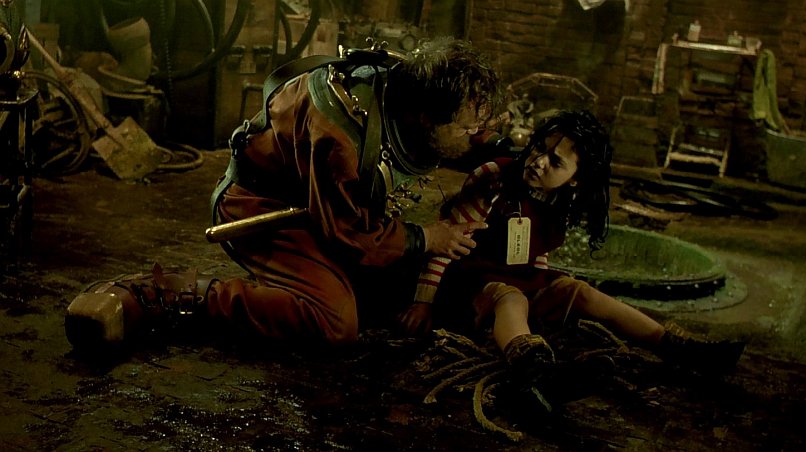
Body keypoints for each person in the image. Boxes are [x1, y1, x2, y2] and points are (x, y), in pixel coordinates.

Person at [64, 37, 503, 351]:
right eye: (468, 129)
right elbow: (350, 233)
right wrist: (427, 237)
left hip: (318, 203)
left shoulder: (408, 85)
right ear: (427, 117)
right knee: (335, 322)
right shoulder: (341, 136)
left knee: (394, 290)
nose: (476, 137)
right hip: (261, 205)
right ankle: (168, 294)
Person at [397, 109, 747, 391]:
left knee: (580, 291)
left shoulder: (560, 200)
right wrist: (423, 301)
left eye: (556, 162)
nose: (538, 162)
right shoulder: (494, 178)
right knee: (511, 298)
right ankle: (532, 366)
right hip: (470, 282)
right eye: (539, 148)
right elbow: (447, 243)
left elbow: (538, 250)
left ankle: (675, 346)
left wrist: (545, 290)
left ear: (576, 178)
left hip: (519, 279)